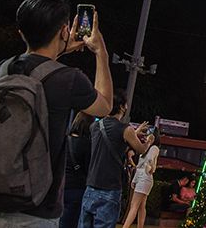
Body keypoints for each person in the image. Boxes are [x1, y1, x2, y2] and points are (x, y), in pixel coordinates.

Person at [0, 0, 114, 227]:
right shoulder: (69, 79)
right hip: (35, 210)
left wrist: (60, 47)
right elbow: (105, 106)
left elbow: (38, 69)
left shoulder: (4, 68)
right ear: (64, 30)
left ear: (21, 32)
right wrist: (101, 52)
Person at [79, 92, 153, 228]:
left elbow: (113, 143)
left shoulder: (95, 126)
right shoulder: (125, 129)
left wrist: (134, 133)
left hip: (90, 187)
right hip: (110, 189)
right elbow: (141, 149)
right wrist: (149, 141)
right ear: (122, 107)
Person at [60, 113, 94, 228]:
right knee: (70, 222)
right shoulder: (86, 144)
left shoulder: (64, 139)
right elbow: (89, 168)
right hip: (77, 189)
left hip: (61, 185)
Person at [121, 132, 161, 228]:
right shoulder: (145, 149)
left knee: (134, 205)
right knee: (141, 205)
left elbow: (150, 161)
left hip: (145, 177)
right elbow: (139, 166)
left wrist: (150, 166)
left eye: (149, 137)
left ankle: (125, 226)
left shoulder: (154, 148)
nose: (146, 138)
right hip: (141, 177)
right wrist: (135, 180)